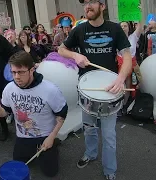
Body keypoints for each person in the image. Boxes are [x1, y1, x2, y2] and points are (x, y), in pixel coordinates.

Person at [58, 0, 132, 179]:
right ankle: (91, 154)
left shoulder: (115, 29)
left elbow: (128, 57)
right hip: (87, 88)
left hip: (109, 89)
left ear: (103, 6)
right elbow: (61, 50)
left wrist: (121, 78)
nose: (87, 6)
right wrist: (75, 54)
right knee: (89, 128)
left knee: (108, 136)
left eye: (92, 2)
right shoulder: (79, 30)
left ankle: (110, 170)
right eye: (85, 3)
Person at [0, 51, 68, 177]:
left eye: (21, 72)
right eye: (13, 72)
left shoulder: (50, 90)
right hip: (22, 136)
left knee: (50, 173)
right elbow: (6, 112)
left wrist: (52, 137)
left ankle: (55, 146)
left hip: (44, 136)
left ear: (32, 70)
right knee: (18, 165)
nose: (16, 77)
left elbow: (62, 115)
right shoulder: (9, 89)